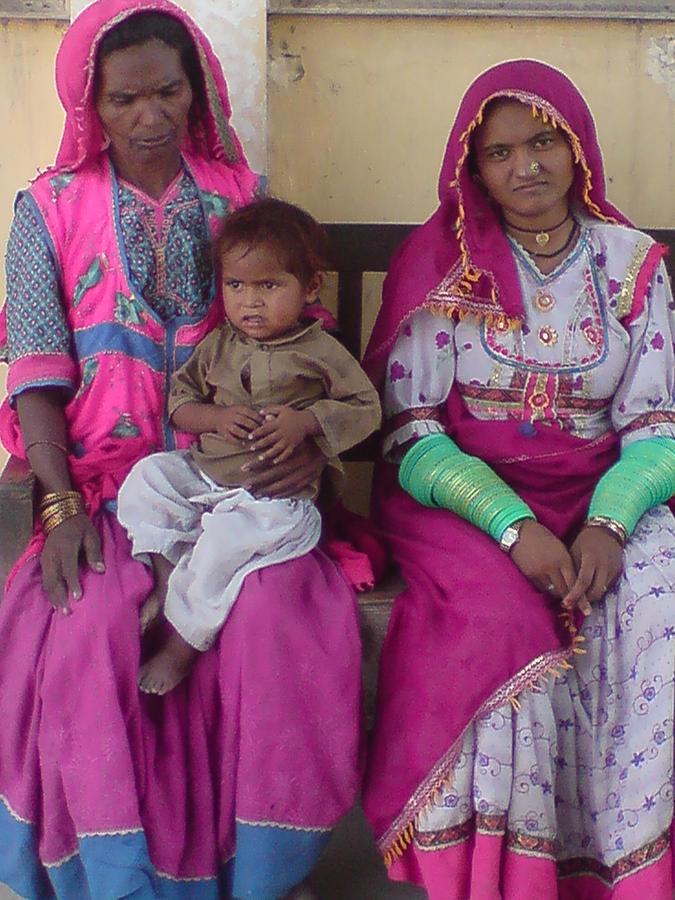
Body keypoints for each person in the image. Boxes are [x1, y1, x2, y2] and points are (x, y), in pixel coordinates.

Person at [0, 3, 363, 897]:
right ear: (92, 103)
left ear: (197, 91)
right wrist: (59, 505)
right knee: (88, 628)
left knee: (276, 622)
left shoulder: (240, 194)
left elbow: (300, 352)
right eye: (125, 99)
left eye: (168, 91)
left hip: (244, 482)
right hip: (110, 482)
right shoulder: (47, 208)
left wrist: (309, 452)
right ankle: (118, 875)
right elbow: (37, 370)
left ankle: (253, 873)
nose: (149, 116)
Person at [361, 59, 675, 899]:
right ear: (474, 168)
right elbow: (410, 430)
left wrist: (609, 525)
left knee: (658, 604)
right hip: (460, 503)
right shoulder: (437, 266)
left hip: (606, 490)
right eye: (499, 152)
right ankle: (506, 882)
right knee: (499, 631)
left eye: (543, 141)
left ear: (577, 148)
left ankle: (630, 872)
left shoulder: (632, 262)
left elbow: (655, 425)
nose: (525, 166)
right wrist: (510, 526)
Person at [118, 198, 381, 695]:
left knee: (224, 545)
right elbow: (179, 400)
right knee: (147, 479)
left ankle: (181, 645)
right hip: (206, 475)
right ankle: (166, 571)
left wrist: (307, 423)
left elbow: (366, 410)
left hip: (271, 499)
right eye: (236, 286)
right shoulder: (220, 342)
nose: (250, 302)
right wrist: (215, 417)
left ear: (310, 287)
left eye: (269, 286)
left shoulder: (321, 352)